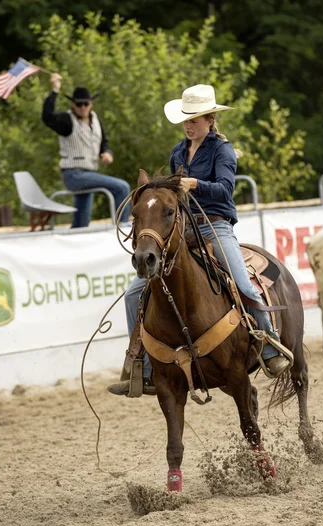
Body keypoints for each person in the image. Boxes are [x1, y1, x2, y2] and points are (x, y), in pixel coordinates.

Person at [108, 84, 289, 396]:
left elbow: (225, 189)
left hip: (215, 227)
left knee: (242, 283)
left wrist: (195, 184)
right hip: (181, 231)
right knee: (134, 294)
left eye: (194, 120)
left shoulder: (223, 150)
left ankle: (270, 346)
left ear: (209, 120)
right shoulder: (178, 152)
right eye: (185, 120)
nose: (188, 125)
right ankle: (143, 366)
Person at [42, 73, 131, 228]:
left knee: (82, 222)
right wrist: (55, 91)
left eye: (86, 104)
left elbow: (104, 142)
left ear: (91, 104)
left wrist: (107, 153)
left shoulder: (95, 119)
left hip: (89, 174)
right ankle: (122, 228)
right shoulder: (66, 120)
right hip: (74, 174)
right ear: (73, 104)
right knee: (122, 187)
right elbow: (47, 117)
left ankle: (72, 243)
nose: (83, 107)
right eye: (79, 104)